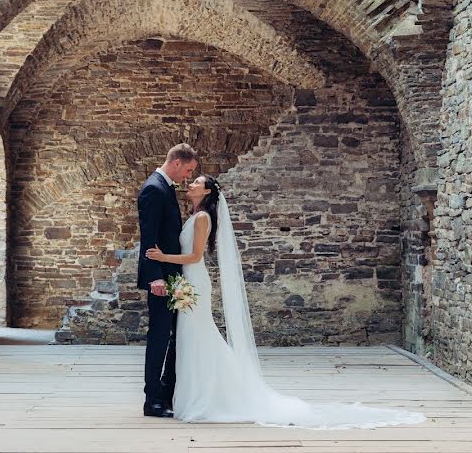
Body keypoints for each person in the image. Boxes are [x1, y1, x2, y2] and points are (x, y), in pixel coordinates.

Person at [146, 175, 426, 428]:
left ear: (206, 191)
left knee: (197, 336)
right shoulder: (195, 214)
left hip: (195, 280)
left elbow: (195, 257)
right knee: (191, 337)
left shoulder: (203, 217)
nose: (190, 184)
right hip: (190, 282)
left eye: (196, 182)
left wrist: (163, 258)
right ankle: (201, 390)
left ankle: (213, 394)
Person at [137, 143, 198, 418]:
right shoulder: (154, 189)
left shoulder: (165, 187)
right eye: (188, 170)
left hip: (173, 276)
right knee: (160, 337)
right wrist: (155, 279)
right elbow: (148, 239)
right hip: (162, 279)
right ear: (176, 163)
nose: (187, 177)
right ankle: (153, 400)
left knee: (176, 335)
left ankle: (166, 391)